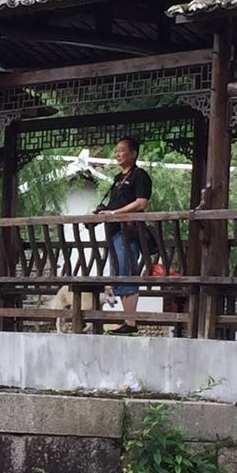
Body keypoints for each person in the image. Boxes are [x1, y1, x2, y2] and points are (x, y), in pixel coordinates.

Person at [102, 136, 153, 335]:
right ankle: (126, 320)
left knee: (127, 273)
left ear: (134, 153)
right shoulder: (117, 179)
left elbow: (141, 202)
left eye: (122, 150)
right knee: (119, 275)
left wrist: (115, 213)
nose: (118, 154)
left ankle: (130, 321)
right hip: (115, 232)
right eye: (116, 150)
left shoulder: (140, 176)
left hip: (129, 232)